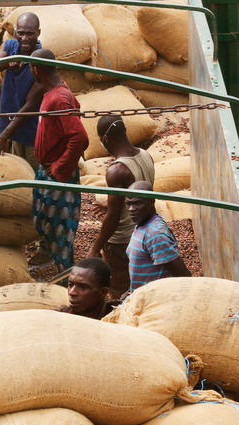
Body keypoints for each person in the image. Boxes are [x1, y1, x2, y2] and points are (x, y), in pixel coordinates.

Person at [29, 49, 88, 271]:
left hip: (58, 173)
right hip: (47, 169)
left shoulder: (59, 98)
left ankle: (65, 275)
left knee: (60, 227)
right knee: (43, 220)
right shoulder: (51, 94)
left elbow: (79, 137)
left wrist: (59, 169)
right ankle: (52, 261)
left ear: (36, 69)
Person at [86, 116, 155, 298]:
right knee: (140, 283)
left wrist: (95, 247)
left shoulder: (116, 170)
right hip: (144, 231)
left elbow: (113, 217)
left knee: (119, 290)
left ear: (105, 140)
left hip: (122, 242)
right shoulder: (146, 155)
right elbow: (139, 194)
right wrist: (110, 202)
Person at [0, 12, 43, 170]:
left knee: (32, 172)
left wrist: (3, 137)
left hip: (31, 129)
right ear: (15, 32)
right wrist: (7, 62)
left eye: (30, 34)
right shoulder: (10, 46)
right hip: (10, 124)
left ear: (38, 33)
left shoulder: (41, 59)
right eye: (21, 33)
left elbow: (31, 105)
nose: (24, 38)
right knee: (15, 170)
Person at [125, 181, 190, 294]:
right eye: (128, 204)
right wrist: (129, 292)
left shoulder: (155, 234)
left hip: (154, 301)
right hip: (140, 298)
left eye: (137, 203)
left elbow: (183, 275)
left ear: (151, 201)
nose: (131, 209)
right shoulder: (141, 226)